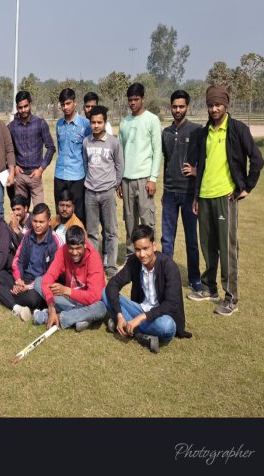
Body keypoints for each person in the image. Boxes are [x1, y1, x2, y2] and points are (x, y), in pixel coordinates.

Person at [190, 85, 264, 315]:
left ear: (226, 105)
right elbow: (202, 166)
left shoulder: (238, 129)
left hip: (226, 197)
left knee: (227, 248)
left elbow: (257, 160)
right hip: (205, 196)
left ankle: (231, 298)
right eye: (210, 105)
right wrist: (197, 196)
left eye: (218, 105)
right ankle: (209, 288)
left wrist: (247, 187)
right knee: (207, 246)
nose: (214, 109)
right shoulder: (204, 132)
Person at [103, 225, 191, 354]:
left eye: (145, 248)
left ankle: (133, 329)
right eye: (138, 250)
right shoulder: (134, 261)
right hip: (139, 309)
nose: (142, 254)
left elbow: (171, 304)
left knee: (167, 326)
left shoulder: (168, 266)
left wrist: (140, 318)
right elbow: (113, 284)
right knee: (104, 293)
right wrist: (119, 315)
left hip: (161, 316)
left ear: (154, 246)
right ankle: (137, 332)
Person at [161, 90, 203, 294]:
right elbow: (167, 161)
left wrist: (196, 171)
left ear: (188, 107)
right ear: (170, 107)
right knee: (167, 239)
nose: (177, 110)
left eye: (181, 106)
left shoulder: (196, 131)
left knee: (191, 239)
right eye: (174, 106)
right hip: (170, 193)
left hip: (188, 193)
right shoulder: (166, 133)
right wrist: (164, 189)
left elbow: (205, 159)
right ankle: (167, 278)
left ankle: (195, 279)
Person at [0, 203, 60, 319]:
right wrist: (18, 280)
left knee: (33, 300)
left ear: (49, 222)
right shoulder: (28, 235)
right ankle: (16, 307)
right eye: (35, 221)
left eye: (41, 222)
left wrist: (28, 287)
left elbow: (51, 275)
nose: (37, 225)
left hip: (39, 284)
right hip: (23, 278)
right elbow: (18, 261)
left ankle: (2, 297)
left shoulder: (55, 242)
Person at [33, 225, 106, 331]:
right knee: (38, 281)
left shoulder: (94, 259)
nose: (74, 253)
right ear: (66, 245)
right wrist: (52, 308)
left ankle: (53, 317)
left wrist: (66, 291)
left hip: (88, 302)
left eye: (78, 248)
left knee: (100, 308)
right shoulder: (63, 251)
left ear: (85, 245)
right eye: (71, 248)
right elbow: (48, 277)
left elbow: (94, 296)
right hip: (69, 301)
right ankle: (79, 318)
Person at [118, 82, 162, 257]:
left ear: (143, 98)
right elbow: (120, 153)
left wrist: (153, 178)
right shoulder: (124, 122)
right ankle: (131, 257)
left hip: (144, 179)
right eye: (130, 100)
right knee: (129, 221)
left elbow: (157, 150)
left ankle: (151, 257)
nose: (133, 103)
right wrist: (119, 180)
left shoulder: (152, 120)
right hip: (126, 179)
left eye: (136, 99)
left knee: (147, 221)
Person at [83, 105, 123, 278]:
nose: (96, 126)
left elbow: (120, 166)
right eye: (93, 122)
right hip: (90, 193)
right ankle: (94, 265)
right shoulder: (86, 142)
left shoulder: (114, 142)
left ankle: (111, 266)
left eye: (99, 122)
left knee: (110, 231)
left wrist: (114, 185)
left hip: (107, 192)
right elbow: (86, 164)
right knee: (92, 232)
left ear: (105, 122)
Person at [8, 91, 55, 207]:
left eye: (26, 106)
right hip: (20, 176)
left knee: (40, 211)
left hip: (35, 175)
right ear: (17, 107)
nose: (23, 110)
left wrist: (41, 169)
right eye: (20, 107)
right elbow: (8, 150)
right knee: (21, 212)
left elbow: (51, 147)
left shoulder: (40, 124)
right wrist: (14, 166)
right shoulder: (11, 127)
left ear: (30, 105)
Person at [54, 88, 91, 225]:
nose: (65, 107)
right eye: (63, 104)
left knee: (78, 214)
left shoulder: (85, 124)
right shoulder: (59, 124)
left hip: (77, 176)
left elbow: (88, 150)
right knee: (60, 214)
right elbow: (60, 147)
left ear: (75, 102)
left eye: (68, 103)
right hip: (60, 175)